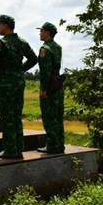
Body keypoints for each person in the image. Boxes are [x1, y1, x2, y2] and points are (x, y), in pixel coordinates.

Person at [0, 14, 38, 159]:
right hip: (18, 83)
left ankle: (10, 150)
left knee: (7, 117)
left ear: (6, 26)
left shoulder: (2, 43)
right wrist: (20, 69)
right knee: (16, 116)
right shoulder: (22, 42)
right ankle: (18, 148)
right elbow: (33, 59)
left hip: (5, 84)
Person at [36, 22, 65, 153]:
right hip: (58, 84)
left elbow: (45, 72)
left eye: (41, 30)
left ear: (47, 32)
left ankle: (52, 145)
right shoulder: (57, 47)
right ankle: (59, 144)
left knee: (49, 117)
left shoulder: (45, 49)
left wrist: (44, 90)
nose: (40, 33)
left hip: (49, 87)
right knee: (58, 116)